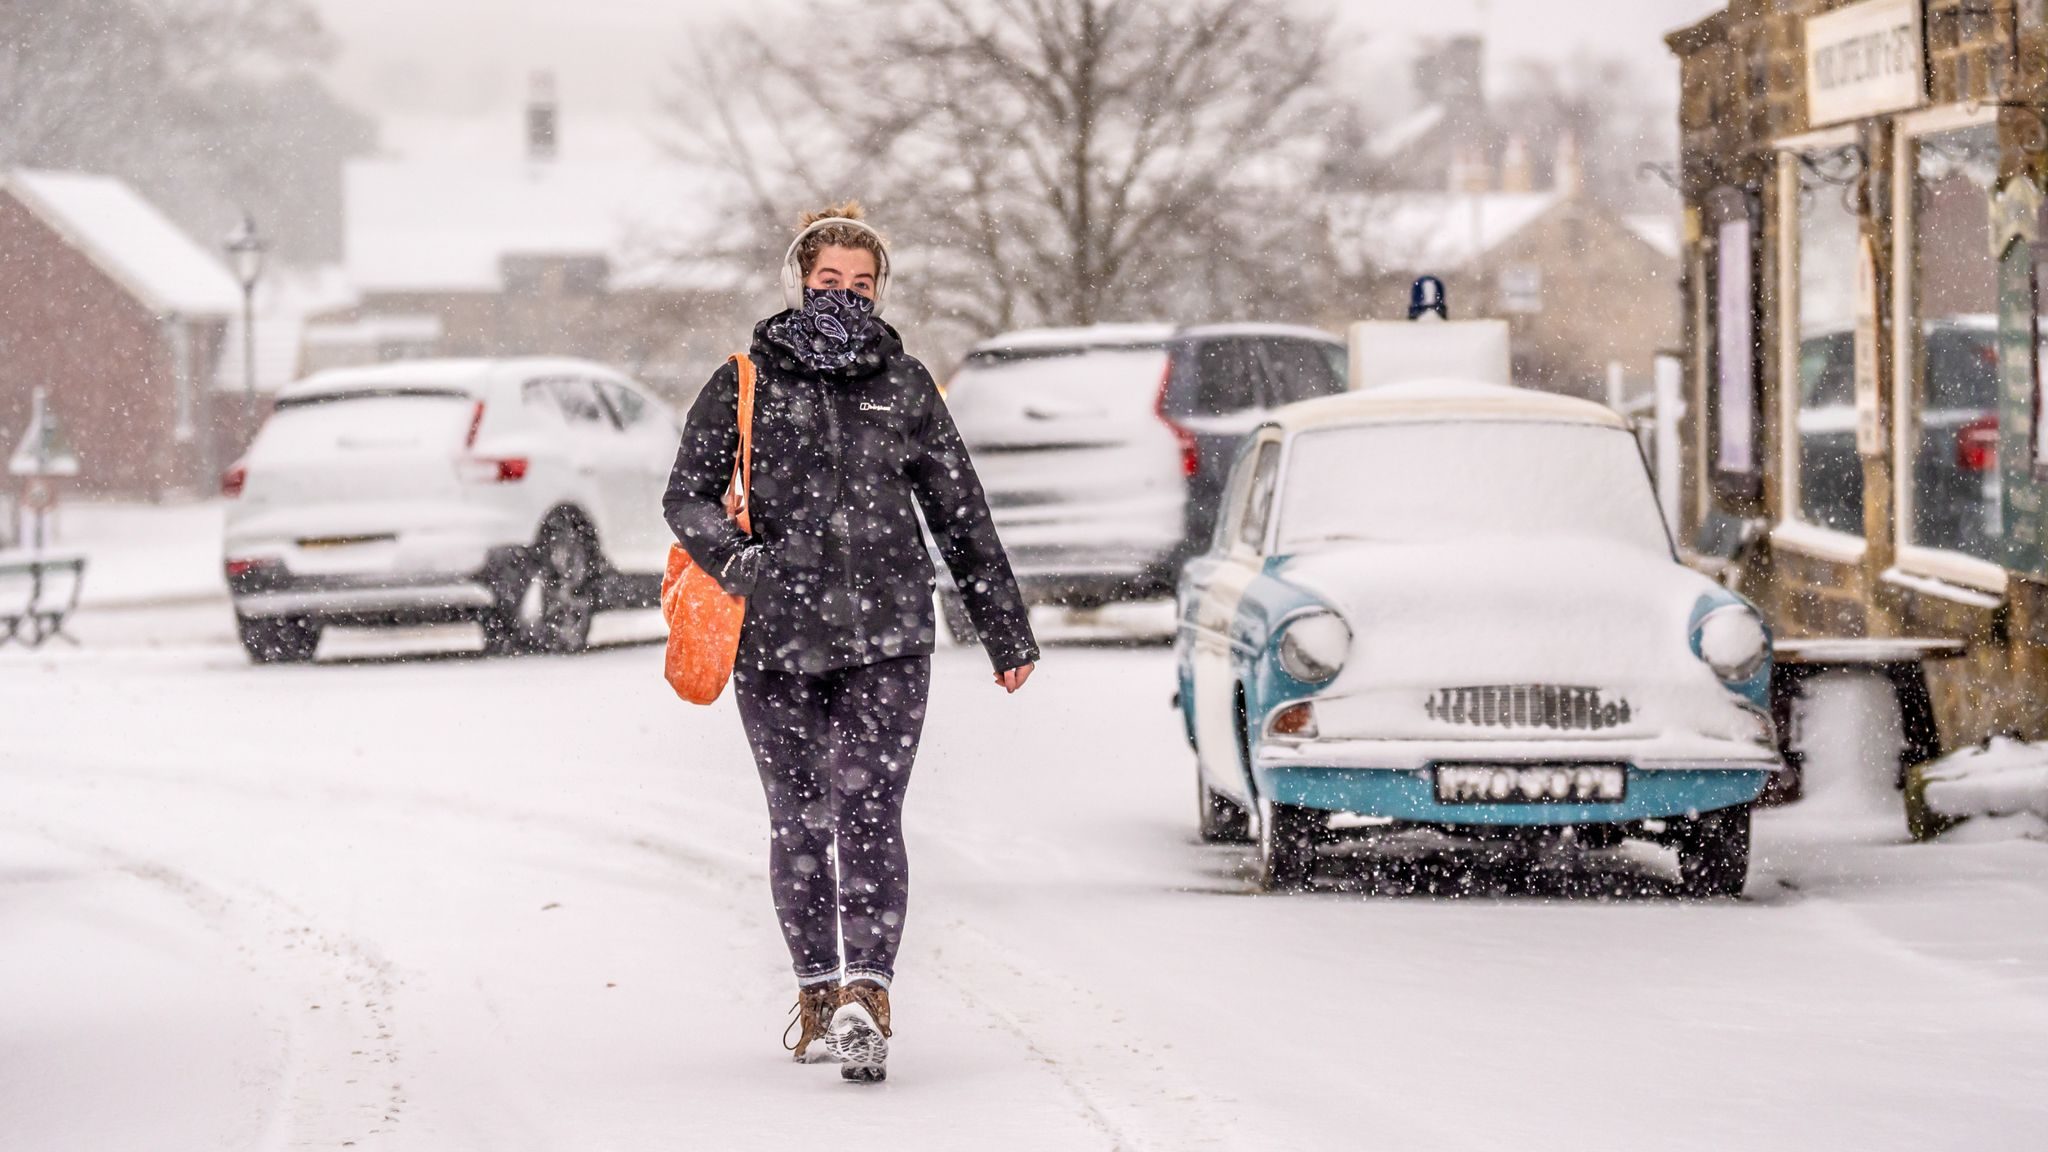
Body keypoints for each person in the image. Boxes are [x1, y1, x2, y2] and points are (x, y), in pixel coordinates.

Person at [663, 203, 1038, 1083]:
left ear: (880, 291)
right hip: (775, 640)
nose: (844, 297)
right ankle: (820, 996)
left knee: (869, 813)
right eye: (829, 281)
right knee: (800, 822)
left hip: (887, 636)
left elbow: (960, 514)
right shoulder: (746, 381)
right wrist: (741, 562)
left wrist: (1004, 631)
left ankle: (869, 997)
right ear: (801, 281)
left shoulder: (903, 385)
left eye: (861, 285)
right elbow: (686, 496)